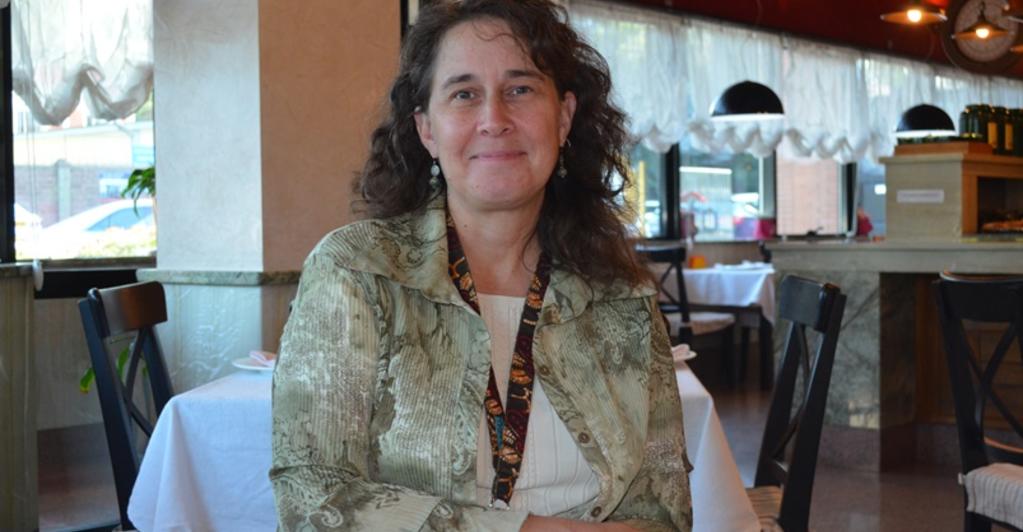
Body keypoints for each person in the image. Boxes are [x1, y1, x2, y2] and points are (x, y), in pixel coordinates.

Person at [270, 1, 692, 530]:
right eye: (464, 94)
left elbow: (665, 507)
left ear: (563, 117)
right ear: (427, 129)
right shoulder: (356, 270)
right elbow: (313, 494)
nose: (494, 120)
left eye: (521, 89)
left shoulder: (621, 293)